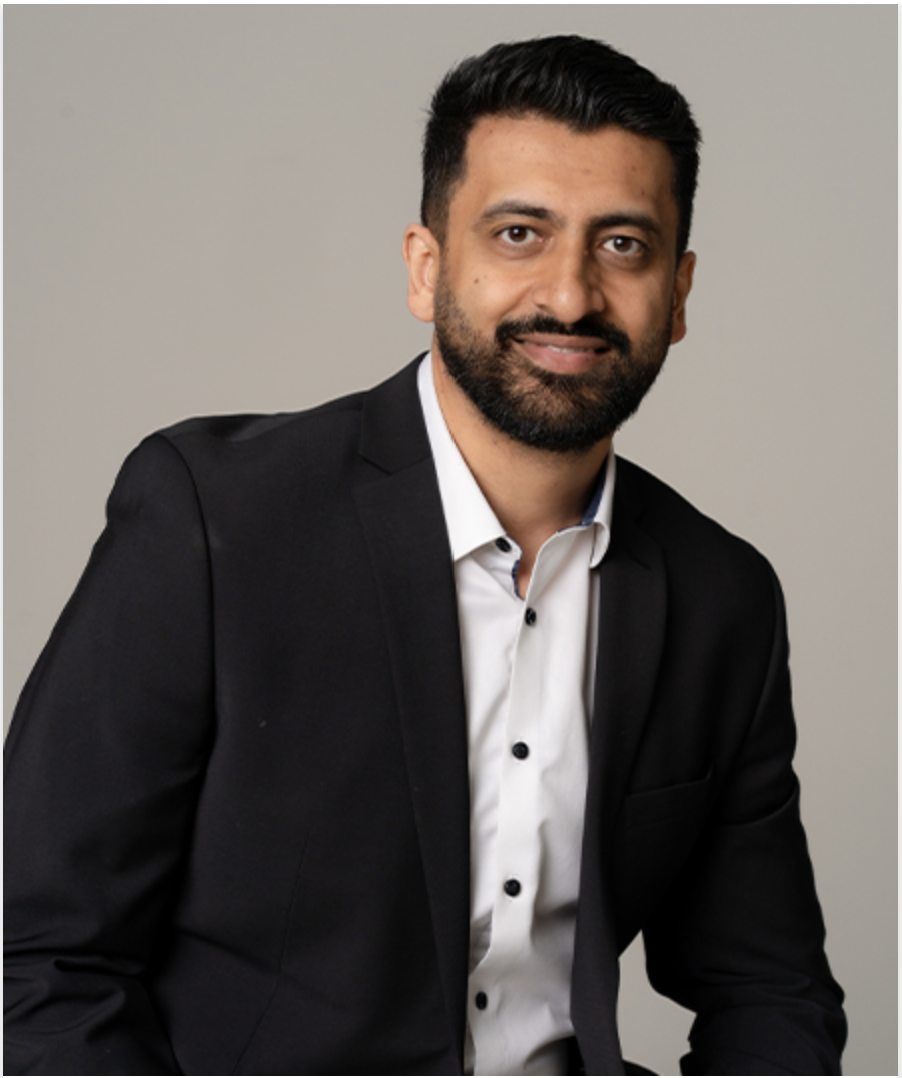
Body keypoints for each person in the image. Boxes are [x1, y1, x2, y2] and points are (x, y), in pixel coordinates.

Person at [4, 35, 845, 1076]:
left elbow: (768, 989)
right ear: (426, 266)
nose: (570, 295)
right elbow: (37, 954)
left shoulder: (722, 597)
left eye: (622, 244)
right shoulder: (214, 517)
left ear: (676, 294)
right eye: (519, 233)